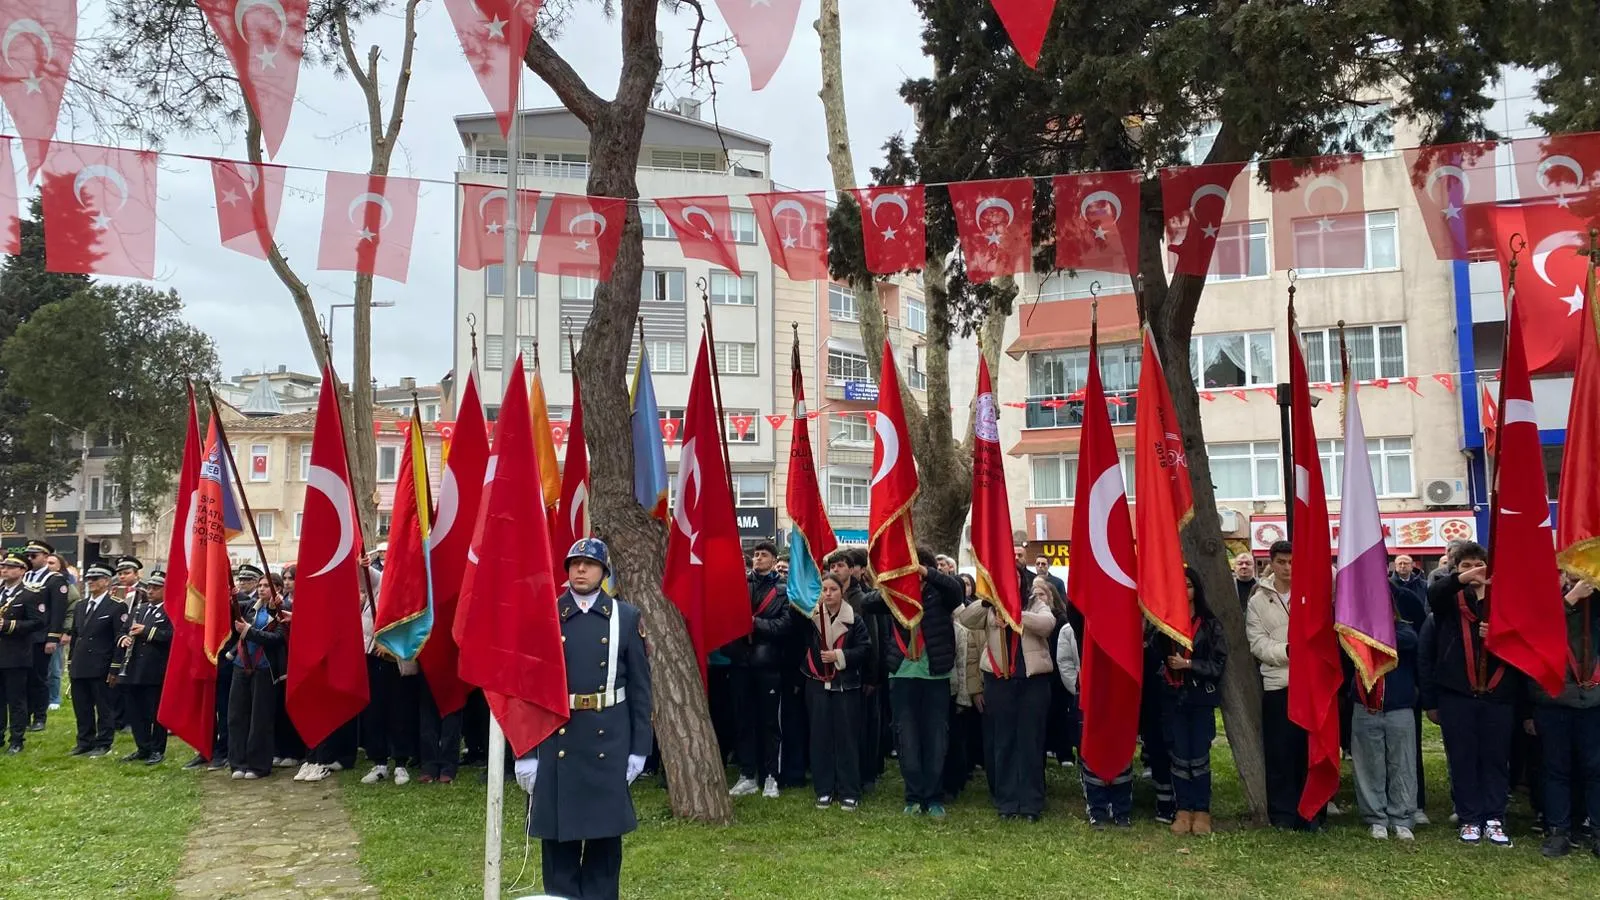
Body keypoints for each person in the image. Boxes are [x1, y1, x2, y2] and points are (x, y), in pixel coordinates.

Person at [515, 539, 652, 900]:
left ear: (603, 572)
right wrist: (525, 752)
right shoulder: (546, 614)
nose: (580, 570)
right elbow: (527, 690)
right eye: (574, 563)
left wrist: (640, 749)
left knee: (604, 846)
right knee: (559, 845)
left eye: (589, 564)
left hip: (609, 741)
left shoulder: (626, 617)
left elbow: (640, 690)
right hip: (557, 737)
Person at [1427, 542, 1519, 847]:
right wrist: (1464, 580)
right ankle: (1468, 816)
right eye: (1466, 566)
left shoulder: (1505, 601)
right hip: (1458, 694)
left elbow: (1522, 642)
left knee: (1495, 758)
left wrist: (1498, 635)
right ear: (1456, 570)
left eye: (1479, 564)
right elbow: (1434, 595)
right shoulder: (1450, 602)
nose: (1475, 570)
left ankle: (1494, 817)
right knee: (1463, 757)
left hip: (1498, 694)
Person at [863, 548, 965, 818]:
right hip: (903, 675)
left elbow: (958, 592)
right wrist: (893, 583)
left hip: (935, 676)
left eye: (914, 567)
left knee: (935, 738)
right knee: (907, 738)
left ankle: (933, 797)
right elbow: (867, 602)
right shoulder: (898, 596)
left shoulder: (940, 593)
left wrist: (926, 573)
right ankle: (913, 795)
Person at [959, 575, 1058, 821]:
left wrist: (1016, 614)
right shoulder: (990, 605)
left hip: (1032, 682)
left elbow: (1048, 624)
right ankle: (1007, 800)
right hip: (999, 681)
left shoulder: (1033, 601)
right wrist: (987, 601)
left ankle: (1031, 802)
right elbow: (965, 619)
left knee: (1030, 742)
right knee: (1003, 741)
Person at [1247, 540, 1315, 830]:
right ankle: (1284, 813)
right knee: (1280, 753)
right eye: (1282, 562)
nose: (1288, 568)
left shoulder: (1312, 591)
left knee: (1308, 752)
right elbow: (1257, 642)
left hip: (1311, 685)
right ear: (1270, 563)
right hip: (1278, 685)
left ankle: (1312, 811)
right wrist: (1288, 652)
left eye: (1292, 562)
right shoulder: (1258, 599)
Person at [1532, 577, 1600, 859]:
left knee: (1596, 769)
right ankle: (1558, 830)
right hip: (1554, 698)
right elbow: (1535, 631)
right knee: (1555, 769)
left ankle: (1596, 829)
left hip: (1594, 700)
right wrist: (1570, 599)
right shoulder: (1543, 598)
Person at [1158, 568, 1227, 835]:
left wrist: (1189, 664)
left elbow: (1218, 664)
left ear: (1196, 589)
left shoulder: (1210, 624)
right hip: (1173, 697)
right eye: (1179, 585)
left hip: (1200, 696)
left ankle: (1202, 810)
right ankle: (1182, 809)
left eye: (1188, 585)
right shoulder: (1164, 622)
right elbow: (1153, 655)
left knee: (1199, 756)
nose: (1184, 590)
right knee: (1178, 755)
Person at [1348, 591, 1420, 841]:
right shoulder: (1352, 633)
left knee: (1402, 762)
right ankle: (1376, 818)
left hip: (1398, 707)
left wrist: (1375, 637)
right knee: (1368, 763)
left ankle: (1402, 818)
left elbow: (1406, 641)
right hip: (1365, 706)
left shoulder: (1405, 632)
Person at [724, 540, 793, 799]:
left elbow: (785, 626)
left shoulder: (782, 590)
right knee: (744, 721)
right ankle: (747, 774)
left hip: (769, 664)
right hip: (741, 662)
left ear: (774, 560)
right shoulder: (740, 586)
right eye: (756, 554)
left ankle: (771, 776)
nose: (758, 558)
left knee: (770, 723)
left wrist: (755, 624)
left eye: (764, 554)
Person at [801, 573, 870, 810]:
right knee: (820, 736)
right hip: (817, 684)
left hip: (845, 686)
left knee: (846, 738)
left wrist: (840, 656)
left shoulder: (855, 620)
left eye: (833, 589)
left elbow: (864, 650)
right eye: (824, 589)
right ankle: (824, 788)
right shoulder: (812, 619)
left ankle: (849, 789)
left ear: (842, 591)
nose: (828, 594)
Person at [222, 570, 289, 779]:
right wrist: (230, 595)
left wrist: (249, 631)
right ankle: (238, 763)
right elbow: (231, 616)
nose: (261, 589)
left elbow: (276, 638)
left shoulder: (281, 611)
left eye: (266, 586)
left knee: (260, 719)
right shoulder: (250, 607)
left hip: (264, 669)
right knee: (236, 716)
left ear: (277, 588)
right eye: (259, 586)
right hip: (241, 667)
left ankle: (258, 765)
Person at [111, 569, 173, 765]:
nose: (151, 591)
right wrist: (123, 639)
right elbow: (122, 630)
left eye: (156, 588)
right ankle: (142, 746)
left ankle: (157, 748)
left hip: (156, 668)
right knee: (135, 711)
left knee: (156, 712)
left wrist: (147, 631)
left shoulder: (170, 610)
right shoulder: (139, 609)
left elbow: (173, 636)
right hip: (134, 667)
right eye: (149, 587)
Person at [66, 564, 126, 757]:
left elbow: (119, 639)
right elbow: (76, 636)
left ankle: (104, 742)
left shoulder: (116, 606)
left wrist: (115, 668)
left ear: (106, 581)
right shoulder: (81, 605)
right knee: (81, 706)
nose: (90, 581)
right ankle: (85, 741)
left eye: (96, 578)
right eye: (89, 578)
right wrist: (71, 661)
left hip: (101, 665)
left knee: (104, 707)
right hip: (80, 664)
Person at [942, 572, 985, 800]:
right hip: (941, 689)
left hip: (956, 691)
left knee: (956, 739)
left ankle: (954, 782)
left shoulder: (962, 626)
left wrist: (963, 698)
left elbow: (963, 663)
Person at [21, 540, 69, 732]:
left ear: (46, 557)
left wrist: (53, 637)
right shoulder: (24, 577)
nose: (30, 559)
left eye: (34, 555)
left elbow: (58, 611)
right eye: (28, 555)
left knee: (39, 678)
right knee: (21, 678)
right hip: (21, 636)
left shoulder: (54, 579)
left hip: (41, 637)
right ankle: (23, 716)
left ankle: (39, 717)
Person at [0, 552, 44, 753]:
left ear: (22, 570)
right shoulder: (1, 591)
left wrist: (9, 625)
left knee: (16, 699)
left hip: (16, 654)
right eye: (3, 566)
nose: (4, 569)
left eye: (10, 566)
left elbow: (38, 622)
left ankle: (17, 739)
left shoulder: (30, 594)